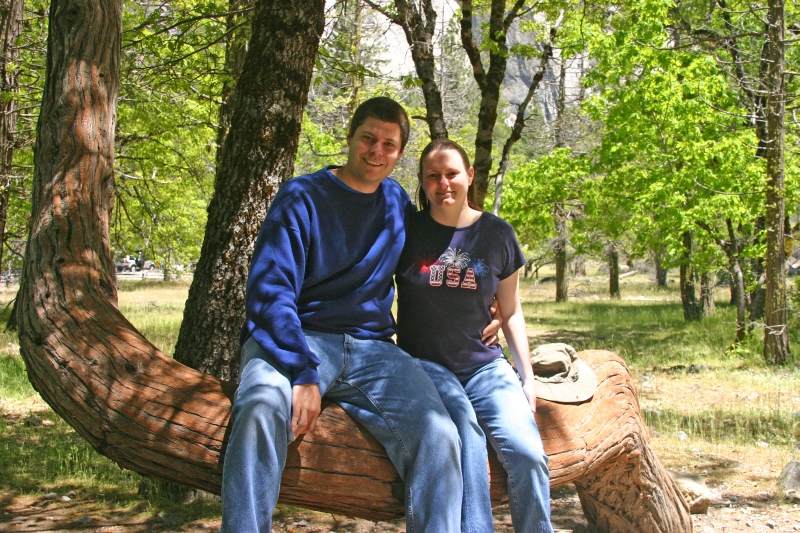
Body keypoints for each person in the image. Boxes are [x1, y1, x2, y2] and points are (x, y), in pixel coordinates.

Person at [222, 98, 498, 533]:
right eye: (368, 139)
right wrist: (302, 373)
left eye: (389, 144)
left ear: (400, 153)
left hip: (372, 350)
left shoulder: (394, 201)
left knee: (439, 435)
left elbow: (435, 257)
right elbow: (269, 292)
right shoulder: (302, 197)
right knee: (259, 408)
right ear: (350, 138)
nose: (376, 151)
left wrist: (490, 300)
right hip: (297, 336)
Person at [395, 139, 554, 533]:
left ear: (469, 176)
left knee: (528, 453)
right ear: (421, 181)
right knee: (466, 437)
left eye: (451, 174)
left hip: (485, 367)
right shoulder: (407, 230)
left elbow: (511, 310)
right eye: (432, 176)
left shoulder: (498, 235)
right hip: (426, 367)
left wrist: (527, 376)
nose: (443, 183)